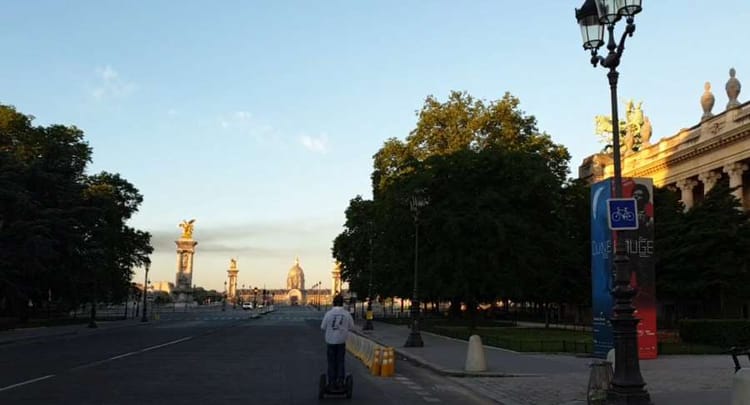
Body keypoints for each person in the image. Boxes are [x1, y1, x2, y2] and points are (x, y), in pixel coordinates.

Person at [321, 294, 354, 390]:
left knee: (331, 362)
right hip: (341, 341)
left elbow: (322, 327)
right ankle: (340, 380)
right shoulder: (346, 314)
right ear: (342, 303)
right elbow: (352, 327)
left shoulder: (328, 314)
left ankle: (331, 381)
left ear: (333, 303)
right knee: (340, 361)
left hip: (330, 341)